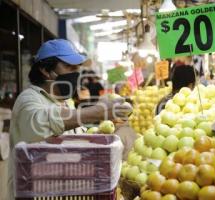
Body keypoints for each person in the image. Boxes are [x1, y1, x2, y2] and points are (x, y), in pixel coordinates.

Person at [8, 39, 132, 198]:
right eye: (69, 67)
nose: (76, 72)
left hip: (62, 190)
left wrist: (98, 135)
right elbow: (42, 121)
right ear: (46, 70)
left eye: (77, 68)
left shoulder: (66, 101)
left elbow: (70, 139)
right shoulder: (28, 100)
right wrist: (98, 111)